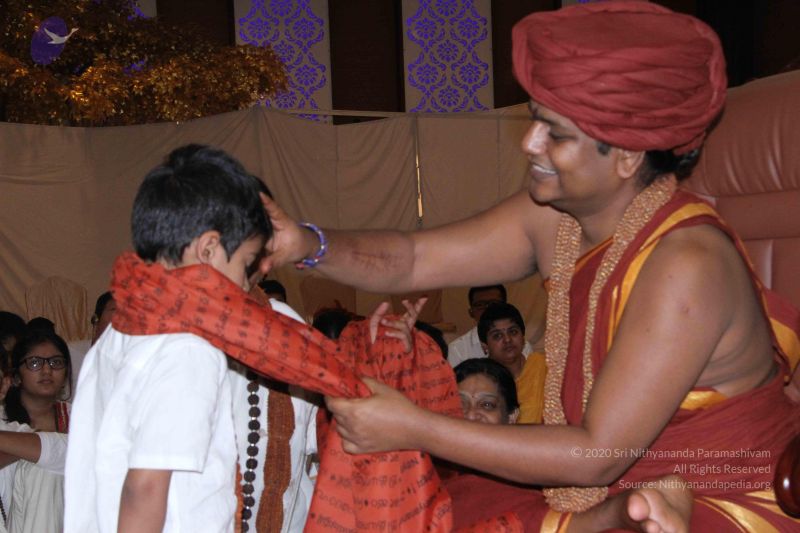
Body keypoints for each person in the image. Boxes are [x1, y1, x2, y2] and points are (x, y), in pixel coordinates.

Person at [260, 2, 800, 530]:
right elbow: (413, 259)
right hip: (607, 481)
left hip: (721, 494)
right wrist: (303, 242)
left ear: (628, 155)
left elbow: (596, 454)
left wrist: (412, 426)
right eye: (535, 121)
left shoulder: (686, 264)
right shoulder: (554, 217)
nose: (529, 143)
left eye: (554, 133)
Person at [64, 145, 273, 533]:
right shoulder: (188, 348)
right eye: (245, 265)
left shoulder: (121, 330)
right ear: (209, 249)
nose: (246, 285)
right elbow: (144, 488)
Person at [2, 330, 72, 533]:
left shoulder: (82, 417)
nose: (47, 370)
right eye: (35, 363)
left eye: (56, 362)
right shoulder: (6, 422)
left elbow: (72, 451)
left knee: (43, 466)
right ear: (16, 377)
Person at [478, 303, 546, 424]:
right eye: (497, 336)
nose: (507, 339)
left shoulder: (543, 366)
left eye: (513, 332)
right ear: (484, 346)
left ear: (523, 338)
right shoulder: (480, 382)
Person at [447, 284, 533, 367]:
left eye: (494, 303)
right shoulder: (457, 350)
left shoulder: (523, 346)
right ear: (471, 312)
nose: (488, 309)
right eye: (480, 305)